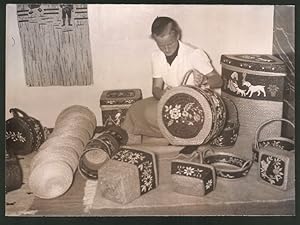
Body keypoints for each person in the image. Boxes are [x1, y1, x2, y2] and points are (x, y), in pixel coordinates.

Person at [121, 16, 223, 144]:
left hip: (195, 104)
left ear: (177, 36)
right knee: (135, 110)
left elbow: (218, 80)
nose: (166, 49)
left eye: (170, 44)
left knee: (175, 118)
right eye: (161, 45)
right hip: (171, 101)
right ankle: (132, 146)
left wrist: (203, 82)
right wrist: (163, 95)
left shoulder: (194, 54)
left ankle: (183, 136)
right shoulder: (156, 56)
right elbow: (156, 89)